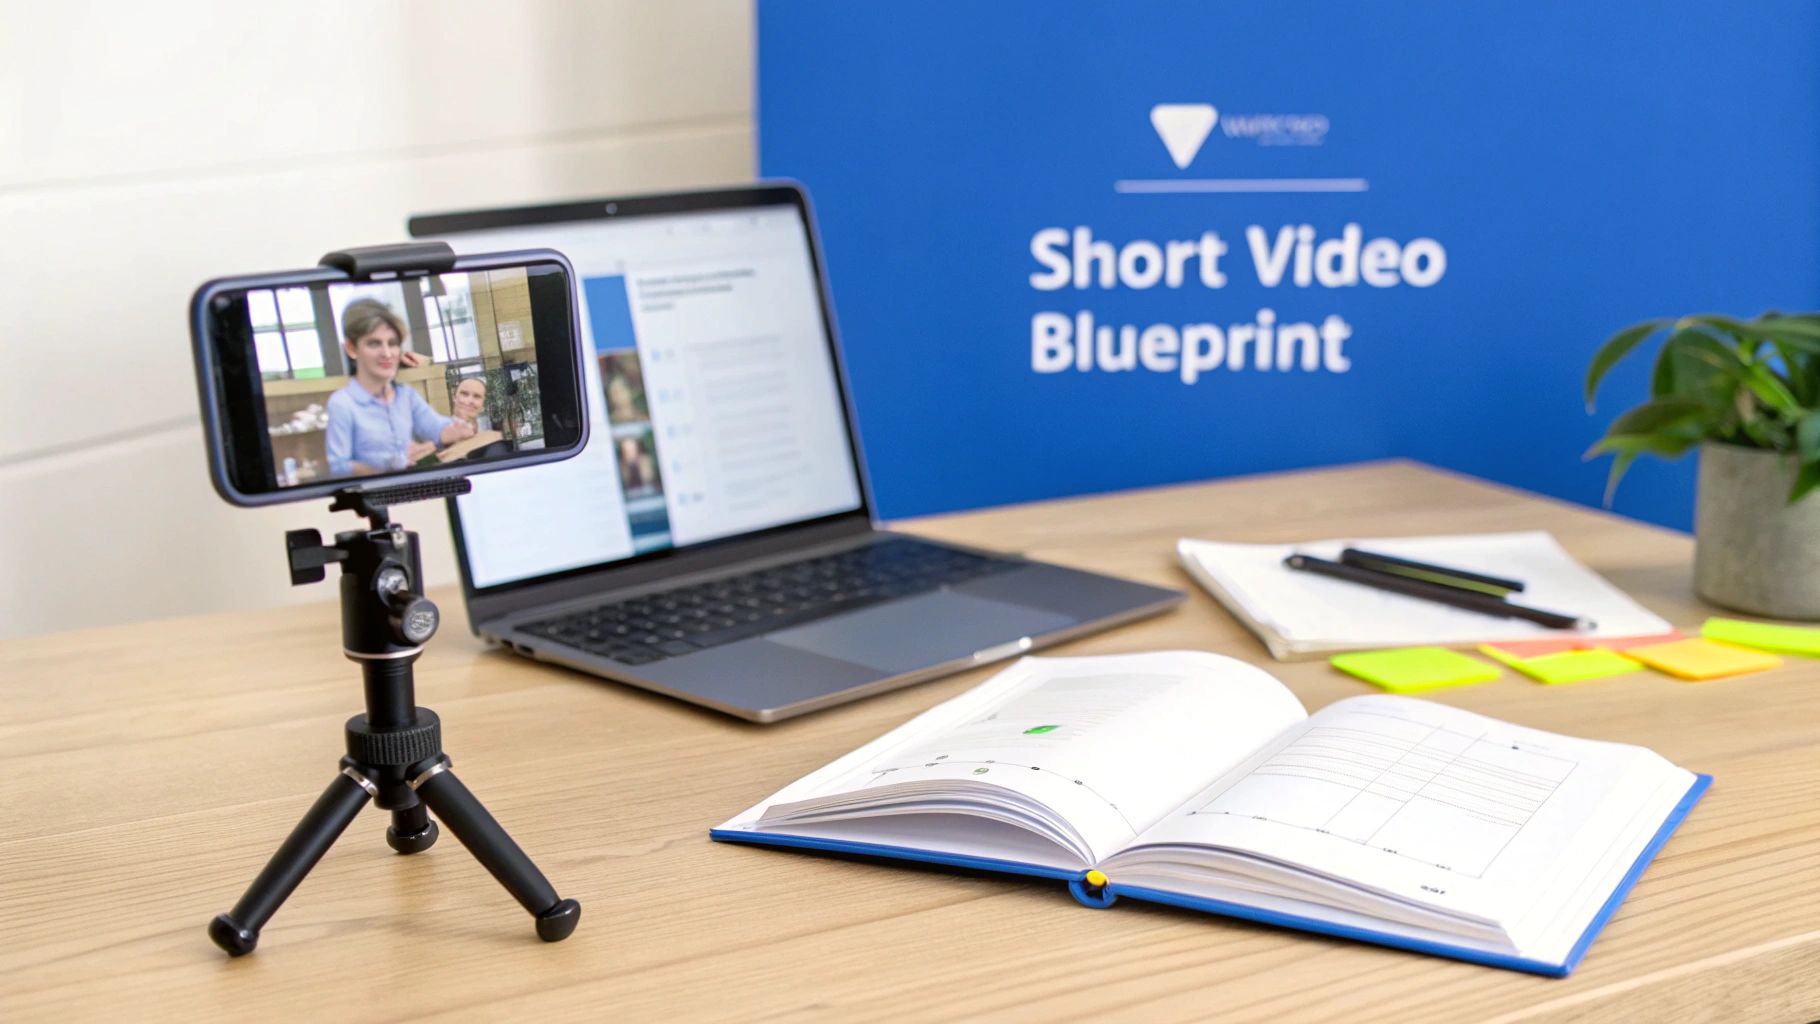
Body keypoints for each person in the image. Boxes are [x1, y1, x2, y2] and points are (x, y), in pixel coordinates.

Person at [324, 299, 474, 477]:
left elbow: (437, 428)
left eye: (393, 343)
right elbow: (339, 467)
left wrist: (459, 429)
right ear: (351, 348)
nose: (387, 354)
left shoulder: (406, 396)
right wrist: (390, 467)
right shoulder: (342, 403)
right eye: (374, 343)